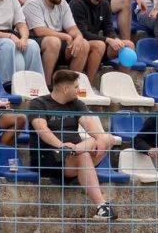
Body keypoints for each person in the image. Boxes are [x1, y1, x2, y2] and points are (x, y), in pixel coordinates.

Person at [25, 69, 119, 220]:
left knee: (108, 139)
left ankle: (74, 151)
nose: (79, 90)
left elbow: (90, 125)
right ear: (65, 89)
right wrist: (61, 145)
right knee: (84, 156)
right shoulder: (38, 103)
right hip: (49, 156)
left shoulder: (76, 104)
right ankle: (102, 206)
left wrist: (100, 139)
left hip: (72, 154)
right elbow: (42, 130)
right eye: (76, 87)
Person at [23, 0, 89, 85]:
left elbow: (72, 28)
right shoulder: (33, 2)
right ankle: (46, 85)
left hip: (56, 41)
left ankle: (69, 86)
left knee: (84, 44)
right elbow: (40, 31)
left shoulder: (62, 3)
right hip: (33, 42)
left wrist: (78, 36)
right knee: (53, 42)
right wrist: (65, 36)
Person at [70, 0, 134, 82]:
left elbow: (109, 29)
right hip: (80, 46)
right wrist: (108, 40)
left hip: (99, 46)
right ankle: (89, 85)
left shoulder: (104, 4)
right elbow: (83, 33)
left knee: (128, 45)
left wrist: (115, 38)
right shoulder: (77, 3)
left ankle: (122, 84)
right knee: (99, 45)